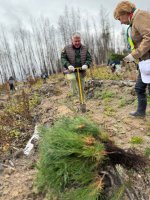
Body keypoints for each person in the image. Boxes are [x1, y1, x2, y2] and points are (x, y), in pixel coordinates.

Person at [114, 1, 150, 117]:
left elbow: (148, 37)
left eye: (119, 18)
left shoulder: (140, 16)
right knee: (139, 87)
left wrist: (135, 54)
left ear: (125, 13)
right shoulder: (134, 21)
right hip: (145, 62)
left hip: (148, 60)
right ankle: (140, 112)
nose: (120, 22)